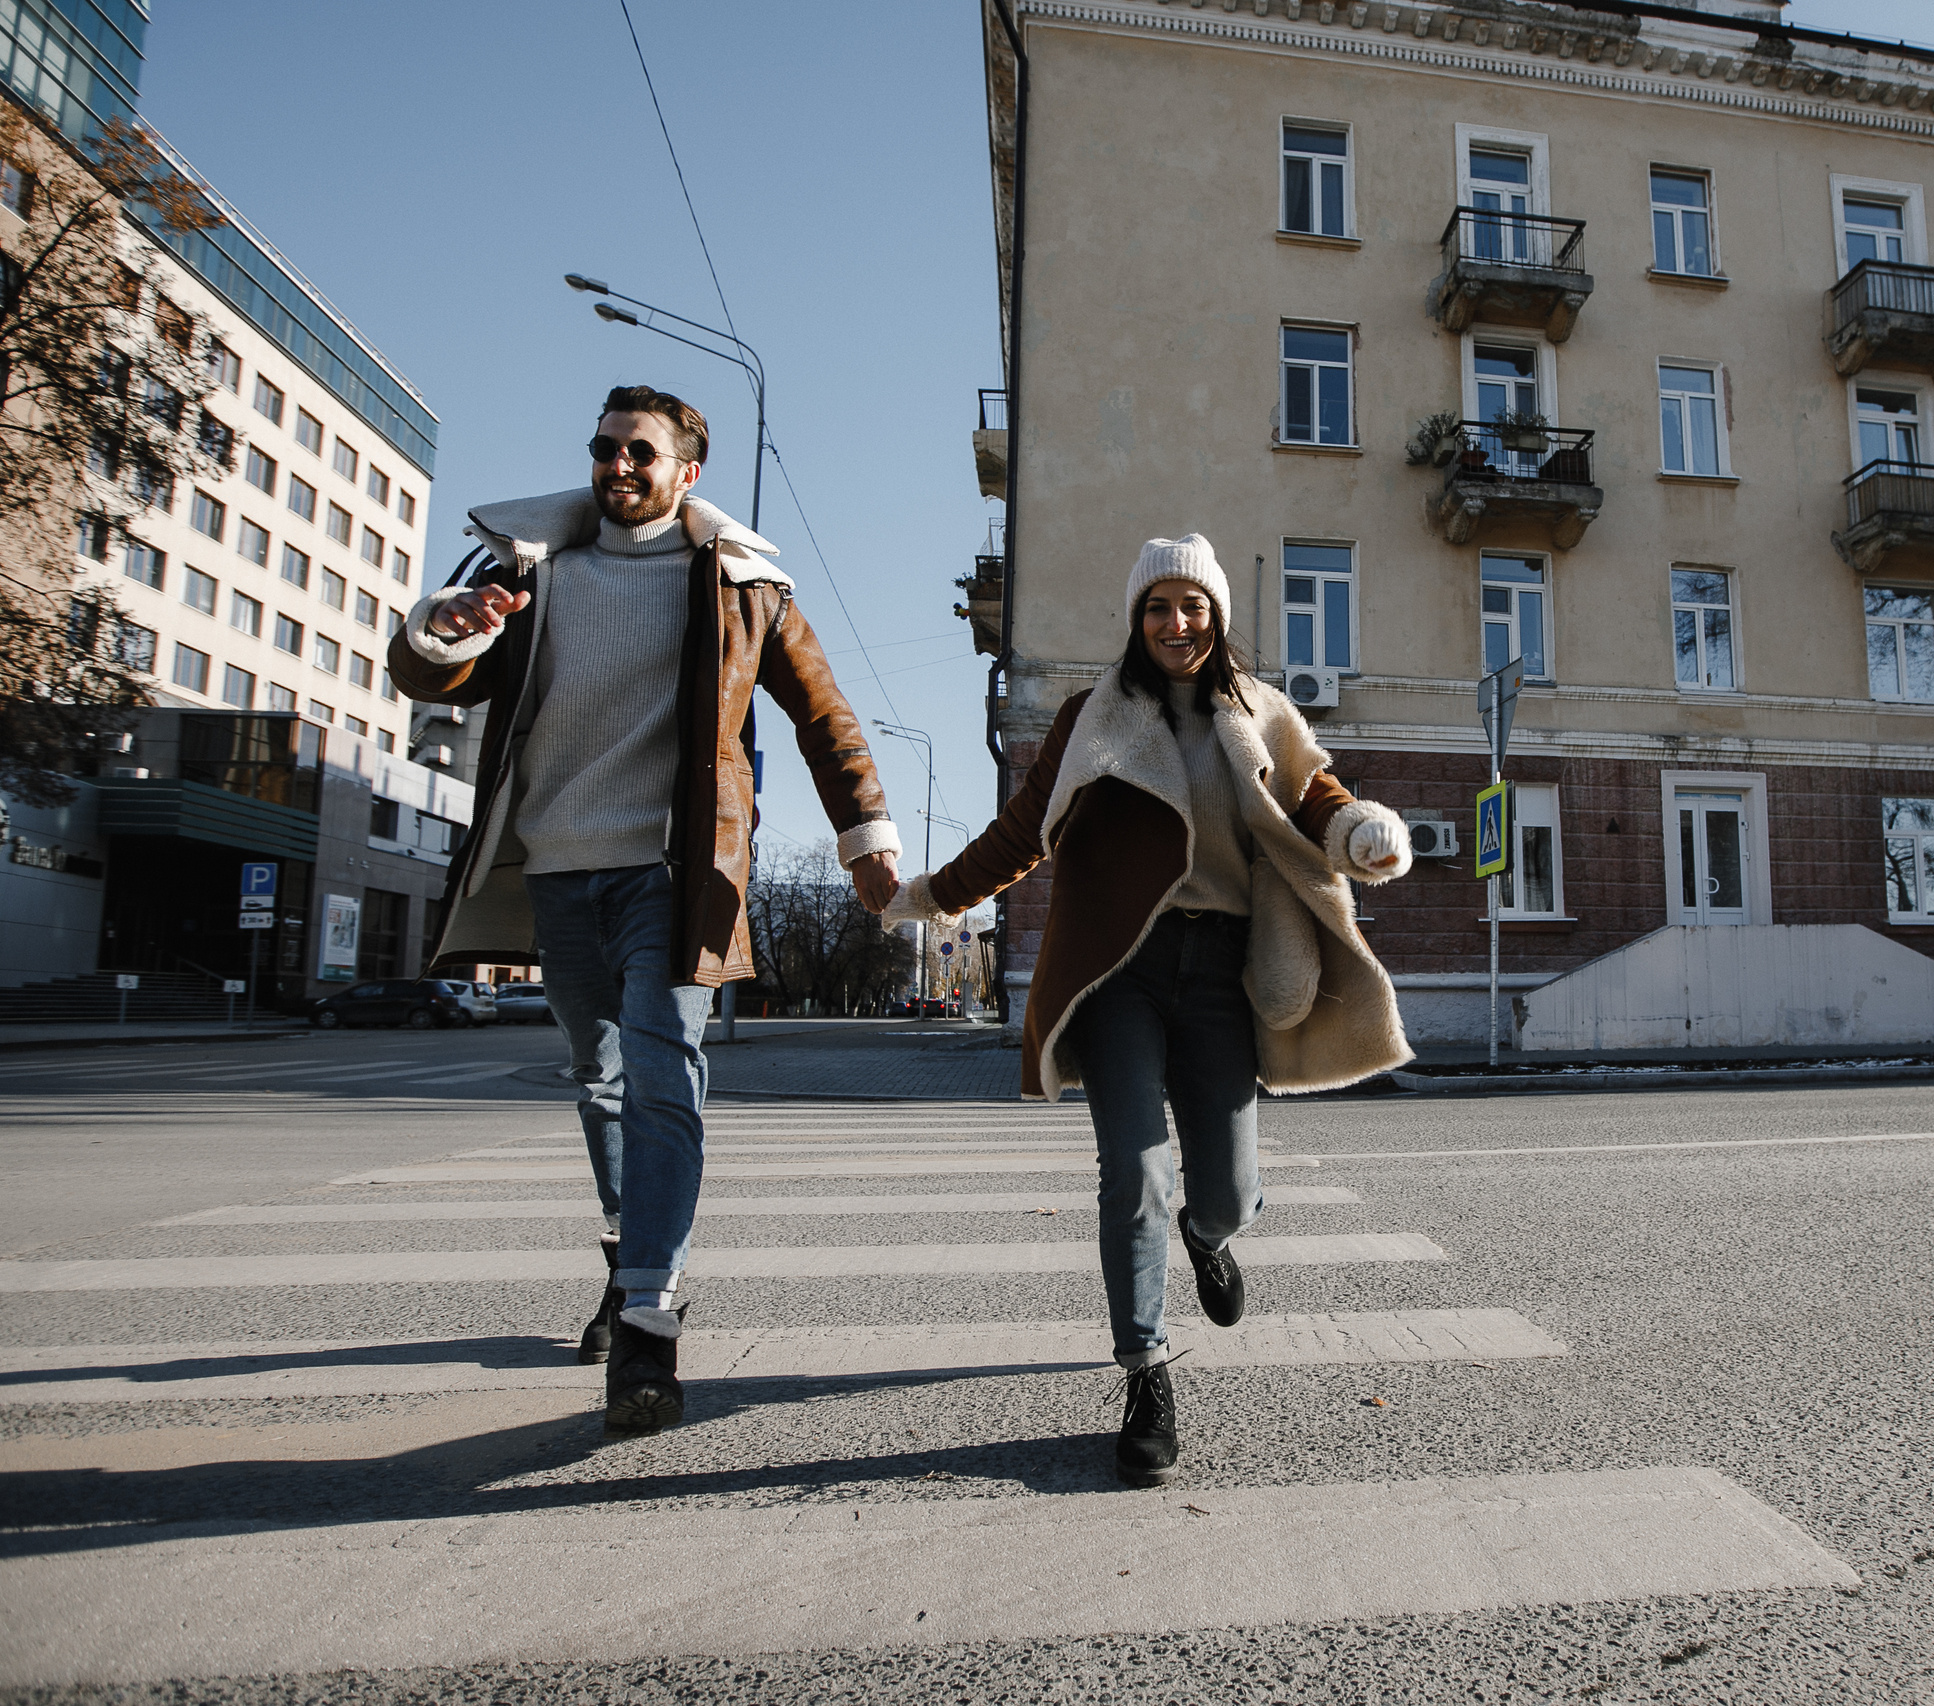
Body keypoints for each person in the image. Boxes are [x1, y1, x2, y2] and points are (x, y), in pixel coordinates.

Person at [387, 385, 902, 1437]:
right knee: (599, 1076)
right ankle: (628, 1252)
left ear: (686, 473)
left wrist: (869, 843)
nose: (617, 466)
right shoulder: (529, 568)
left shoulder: (742, 584)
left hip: (676, 875)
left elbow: (825, 716)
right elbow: (426, 668)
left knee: (667, 1074)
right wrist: (443, 632)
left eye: (640, 453)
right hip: (557, 867)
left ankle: (648, 1321)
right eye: (605, 448)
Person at [884, 534, 1414, 1486]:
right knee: (1132, 1175)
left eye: (1194, 606)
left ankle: (1208, 1241)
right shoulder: (1094, 717)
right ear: (1136, 621)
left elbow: (1314, 791)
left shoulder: (1259, 712)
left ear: (1216, 617)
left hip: (1220, 973)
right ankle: (1146, 1375)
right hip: (1118, 974)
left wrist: (1361, 828)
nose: (1178, 624)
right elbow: (1022, 832)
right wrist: (929, 897)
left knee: (1224, 1192)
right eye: (1158, 608)